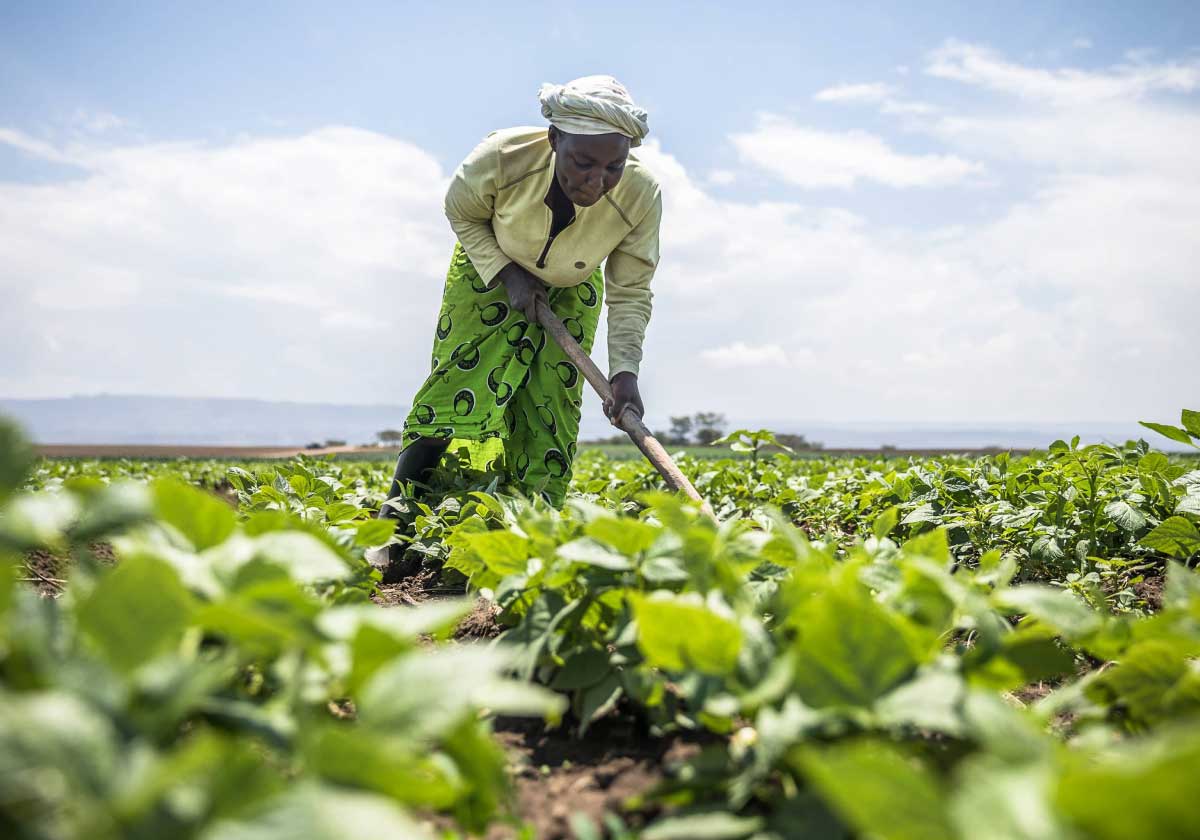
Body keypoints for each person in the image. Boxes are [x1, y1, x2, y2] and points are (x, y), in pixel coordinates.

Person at [376, 74, 662, 546]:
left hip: (573, 285)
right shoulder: (502, 157)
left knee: (551, 403)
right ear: (554, 140)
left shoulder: (641, 194)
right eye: (583, 162)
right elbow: (461, 210)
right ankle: (397, 521)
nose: (597, 181)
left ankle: (527, 533)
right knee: (456, 385)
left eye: (614, 166)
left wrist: (625, 372)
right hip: (487, 266)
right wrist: (506, 272)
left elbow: (631, 289)